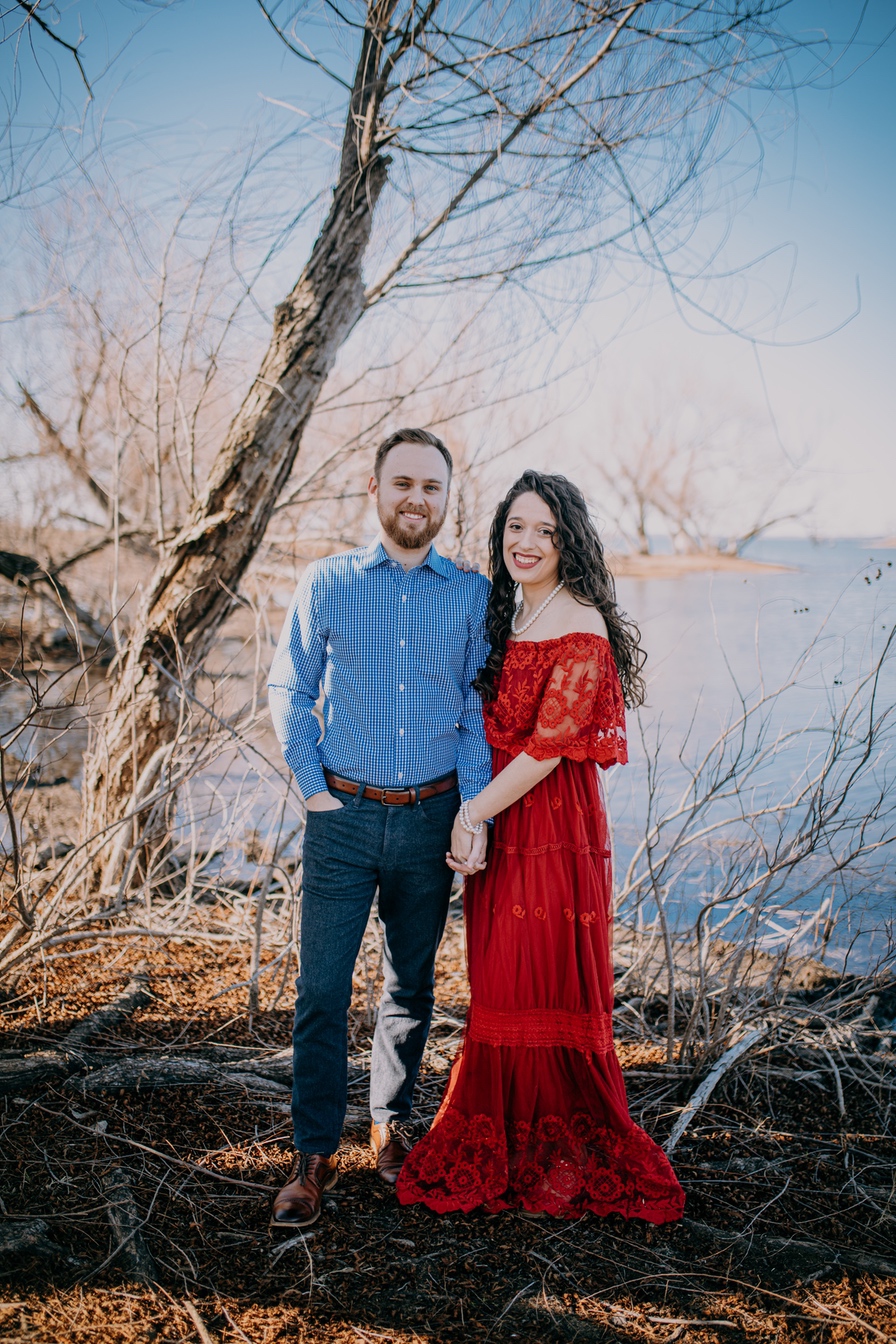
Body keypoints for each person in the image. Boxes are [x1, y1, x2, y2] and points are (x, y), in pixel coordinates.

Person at [397, 470, 685, 1222]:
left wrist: (472, 815)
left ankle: (556, 1136)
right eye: (516, 527)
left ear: (570, 542)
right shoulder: (510, 610)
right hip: (499, 814)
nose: (527, 543)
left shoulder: (581, 622)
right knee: (497, 975)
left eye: (545, 532)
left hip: (550, 826)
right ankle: (504, 1123)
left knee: (540, 976)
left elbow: (551, 747)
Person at [267, 428, 489, 1229]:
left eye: (431, 487)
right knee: (321, 991)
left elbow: (472, 710)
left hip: (432, 819)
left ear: (444, 499)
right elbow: (290, 689)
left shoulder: (469, 594)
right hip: (344, 817)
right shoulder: (328, 582)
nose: (416, 499)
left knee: (410, 987)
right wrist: (312, 788)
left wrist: (473, 809)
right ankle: (312, 1152)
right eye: (402, 483)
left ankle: (389, 1129)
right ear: (374, 490)